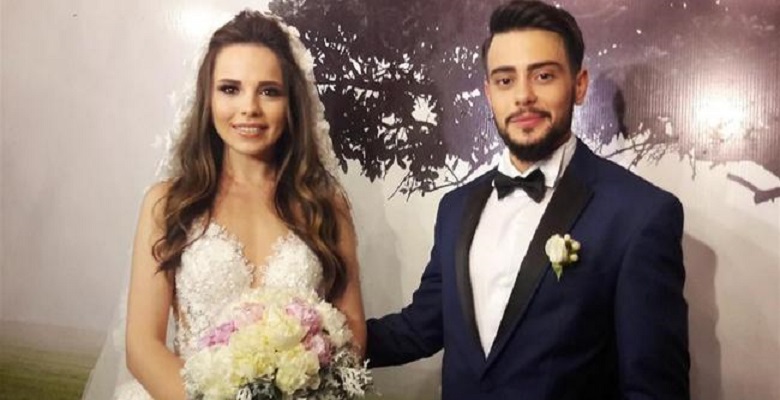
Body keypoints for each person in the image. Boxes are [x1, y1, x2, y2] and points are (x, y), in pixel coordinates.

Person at [366, 1, 689, 399]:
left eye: (543, 75)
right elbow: (421, 327)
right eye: (505, 80)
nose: (523, 96)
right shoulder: (455, 207)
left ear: (579, 85)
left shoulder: (640, 214)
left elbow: (654, 390)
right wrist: (319, 339)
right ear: (489, 94)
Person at [83, 10, 365, 400]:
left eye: (269, 91)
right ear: (207, 97)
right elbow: (142, 346)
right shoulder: (168, 204)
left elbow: (351, 331)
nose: (249, 108)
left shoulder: (325, 206)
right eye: (230, 89)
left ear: (292, 102)